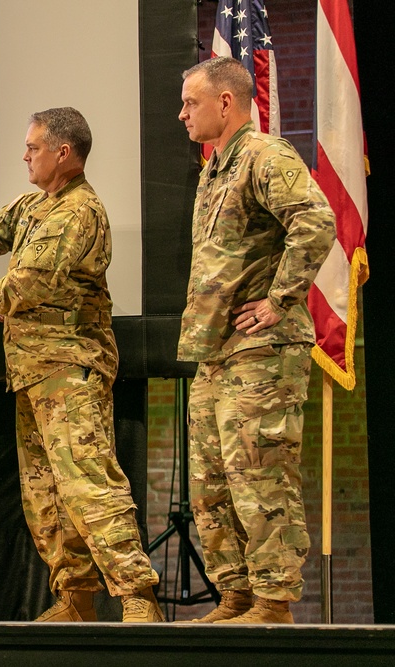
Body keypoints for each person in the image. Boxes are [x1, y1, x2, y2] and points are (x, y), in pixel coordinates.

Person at [0, 108, 163, 623]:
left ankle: (136, 595)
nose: (24, 155)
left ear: (63, 152)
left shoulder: (78, 211)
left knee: (88, 483)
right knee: (45, 493)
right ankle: (75, 598)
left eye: (33, 147)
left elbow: (29, 282)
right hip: (34, 372)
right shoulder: (36, 205)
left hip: (69, 370)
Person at [176, 57, 336, 623]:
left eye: (191, 102)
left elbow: (315, 221)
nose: (181, 113)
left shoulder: (266, 156)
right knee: (211, 482)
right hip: (215, 351)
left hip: (262, 352)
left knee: (259, 474)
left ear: (225, 102)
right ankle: (237, 594)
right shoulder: (214, 169)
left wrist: (279, 299)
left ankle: (273, 601)